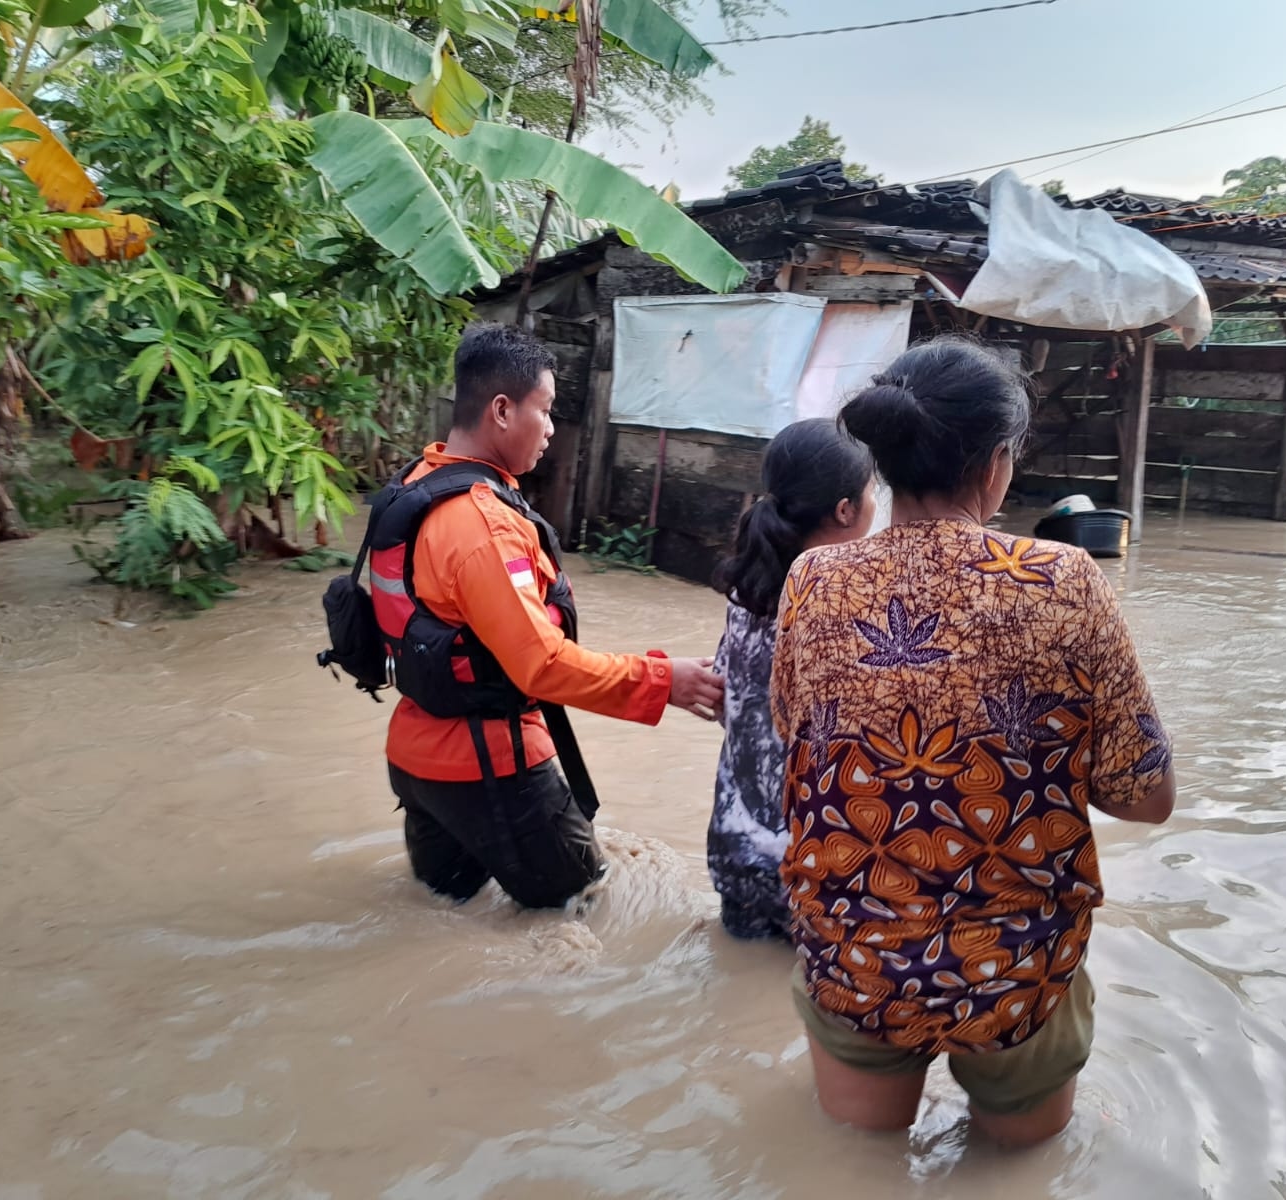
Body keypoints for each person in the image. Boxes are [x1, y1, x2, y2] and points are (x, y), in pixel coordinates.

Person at [771, 335, 1175, 1148]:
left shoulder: (811, 580)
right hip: (1021, 970)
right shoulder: (1064, 579)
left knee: (854, 1166)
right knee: (1016, 1173)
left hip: (857, 954)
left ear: (883, 463)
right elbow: (1147, 798)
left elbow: (800, 742)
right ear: (997, 464)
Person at [372, 323, 724, 910]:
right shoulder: (484, 526)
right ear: (503, 410)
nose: (553, 429)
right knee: (586, 907)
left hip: (415, 761)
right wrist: (668, 681)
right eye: (548, 409)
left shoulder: (416, 483)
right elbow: (541, 666)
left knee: (443, 917)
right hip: (489, 767)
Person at [708, 419, 876, 940]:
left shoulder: (746, 595)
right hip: (809, 871)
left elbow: (723, 702)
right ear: (845, 510)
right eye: (872, 492)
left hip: (733, 849)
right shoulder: (846, 607)